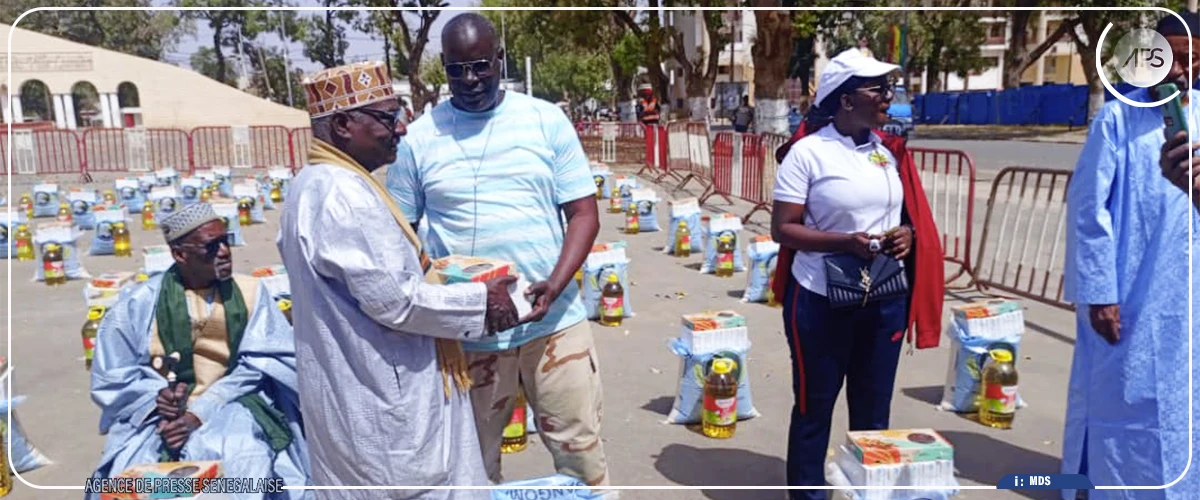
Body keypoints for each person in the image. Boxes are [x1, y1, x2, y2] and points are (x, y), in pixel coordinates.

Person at [277, 61, 521, 499]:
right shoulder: (344, 194)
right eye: (389, 118)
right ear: (344, 124)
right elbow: (398, 303)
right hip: (381, 404)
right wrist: (483, 301)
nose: (402, 129)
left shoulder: (310, 184)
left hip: (353, 393)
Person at [386, 14, 609, 488]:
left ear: (500, 60)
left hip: (555, 325)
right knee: (472, 468)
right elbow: (400, 231)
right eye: (456, 70)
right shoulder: (421, 139)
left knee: (581, 457)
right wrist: (441, 295)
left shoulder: (545, 121)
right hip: (470, 334)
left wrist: (557, 281)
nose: (469, 80)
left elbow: (584, 215)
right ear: (442, 68)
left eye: (481, 66)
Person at [769, 49, 944, 500]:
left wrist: (906, 234)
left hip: (883, 298)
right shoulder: (807, 154)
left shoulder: (887, 153)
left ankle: (869, 491)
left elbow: (900, 214)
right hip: (819, 302)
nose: (888, 96)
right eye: (877, 88)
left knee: (873, 412)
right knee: (815, 408)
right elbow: (783, 229)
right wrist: (844, 242)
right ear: (845, 100)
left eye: (889, 87)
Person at [1062, 11, 1200, 500]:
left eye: (1191, 60)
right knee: (1127, 401)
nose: (1180, 70)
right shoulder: (1118, 116)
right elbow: (1087, 208)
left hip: (1190, 299)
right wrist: (1100, 293)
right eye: (1170, 59)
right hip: (1132, 293)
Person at [88, 203, 309, 500]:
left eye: (225, 241)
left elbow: (263, 364)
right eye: (211, 246)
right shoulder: (138, 303)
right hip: (155, 414)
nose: (224, 252)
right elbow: (112, 376)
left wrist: (200, 412)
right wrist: (157, 399)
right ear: (180, 254)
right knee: (128, 477)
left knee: (244, 457)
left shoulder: (251, 292)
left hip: (235, 401)